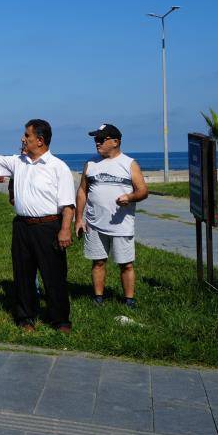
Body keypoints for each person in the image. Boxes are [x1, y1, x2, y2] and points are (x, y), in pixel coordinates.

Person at [0, 120, 76, 333]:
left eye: (27, 135)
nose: (22, 139)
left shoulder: (58, 167)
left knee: (54, 275)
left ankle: (60, 320)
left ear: (40, 140)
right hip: (22, 227)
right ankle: (25, 317)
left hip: (48, 227)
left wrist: (65, 229)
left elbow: (68, 204)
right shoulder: (18, 162)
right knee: (23, 274)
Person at [74, 124, 148, 307]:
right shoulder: (90, 164)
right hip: (94, 224)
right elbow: (82, 192)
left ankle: (129, 300)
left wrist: (130, 197)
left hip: (121, 225)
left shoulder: (129, 164)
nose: (97, 142)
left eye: (101, 139)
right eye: (96, 138)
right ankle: (98, 298)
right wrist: (79, 219)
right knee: (98, 262)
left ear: (116, 142)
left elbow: (143, 191)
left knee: (126, 264)